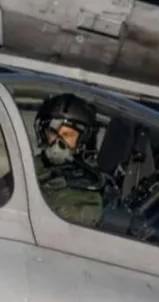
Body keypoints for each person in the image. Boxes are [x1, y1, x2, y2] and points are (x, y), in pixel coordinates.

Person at [33, 93, 110, 228]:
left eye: (67, 135)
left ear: (82, 141)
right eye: (53, 133)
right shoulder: (34, 164)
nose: (58, 142)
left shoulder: (87, 186)